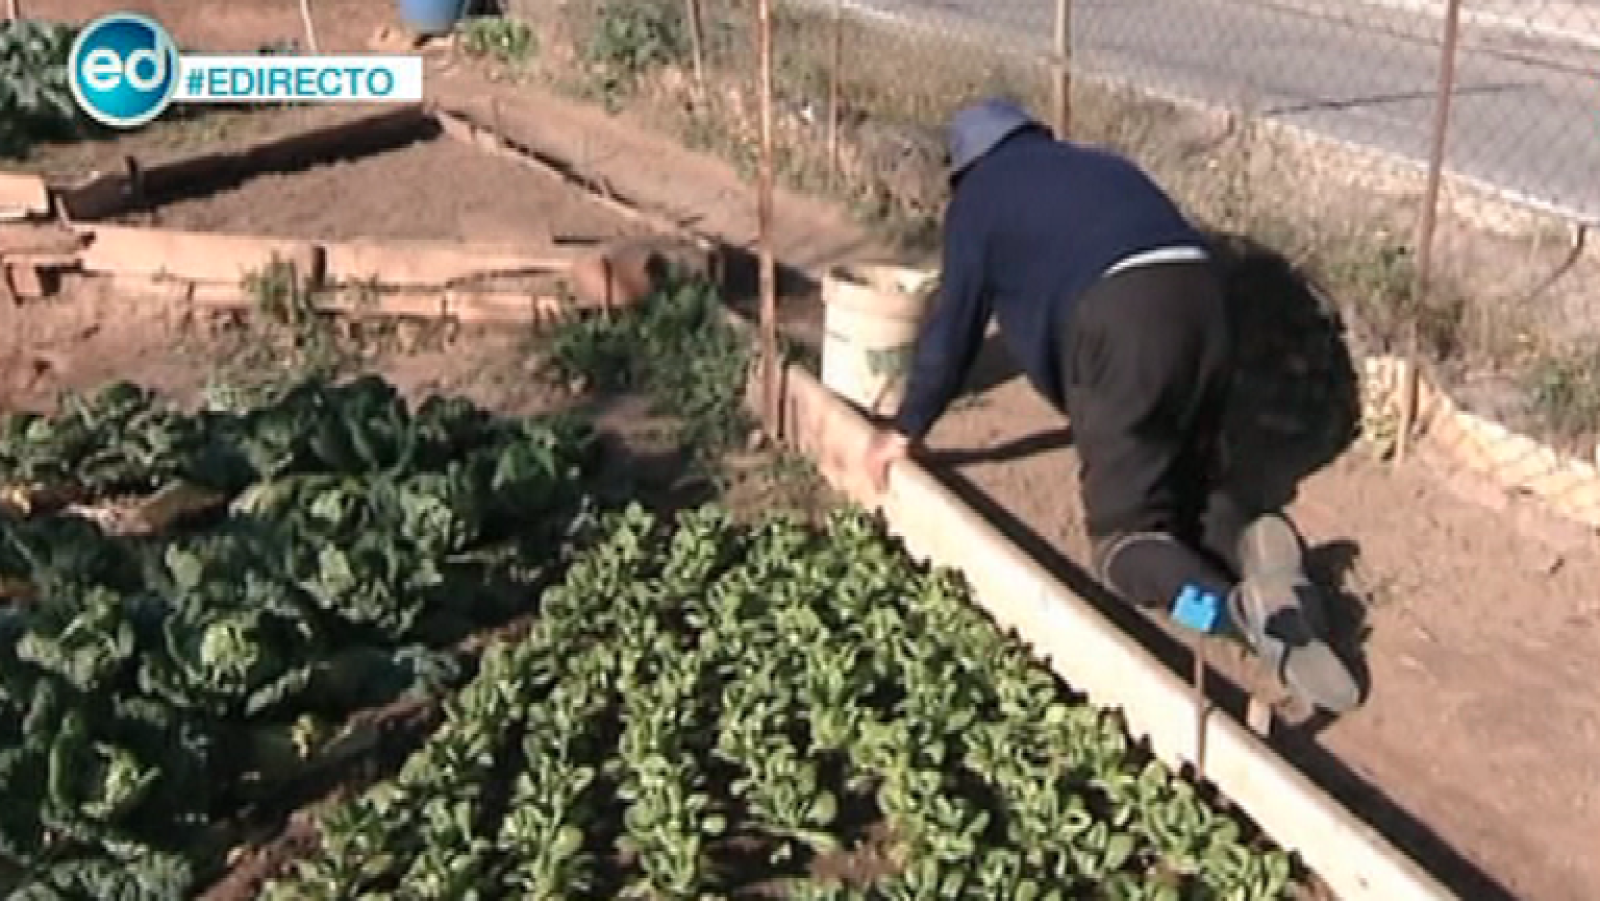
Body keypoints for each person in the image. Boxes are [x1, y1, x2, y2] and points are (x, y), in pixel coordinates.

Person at [859, 97, 1360, 713]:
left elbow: (952, 328)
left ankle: (1234, 617)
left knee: (1124, 545)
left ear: (965, 167)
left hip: (1126, 320)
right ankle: (1256, 546)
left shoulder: (979, 200)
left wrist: (904, 427)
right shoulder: (1101, 165)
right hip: (1204, 301)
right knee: (1189, 487)